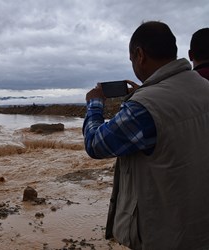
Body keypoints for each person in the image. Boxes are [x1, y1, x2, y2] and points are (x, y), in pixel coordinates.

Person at [83, 21, 209, 250]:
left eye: (132, 59)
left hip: (166, 235)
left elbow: (95, 144)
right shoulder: (203, 85)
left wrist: (94, 103)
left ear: (140, 55)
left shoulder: (144, 108)